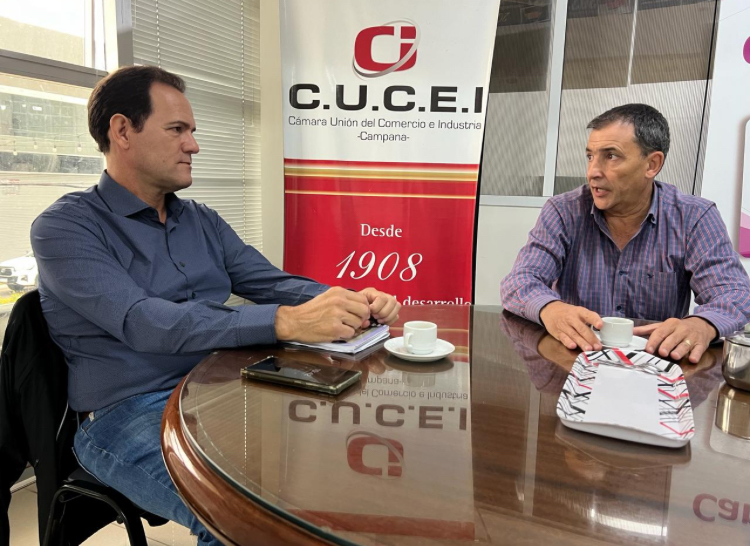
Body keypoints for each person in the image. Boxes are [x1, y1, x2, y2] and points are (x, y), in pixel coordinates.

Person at [30, 65, 400, 545]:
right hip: (128, 411)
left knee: (326, 472)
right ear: (122, 131)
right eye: (177, 130)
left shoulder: (202, 220)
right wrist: (285, 322)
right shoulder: (65, 228)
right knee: (245, 521)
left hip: (224, 386)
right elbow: (145, 323)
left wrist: (346, 300)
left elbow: (271, 282)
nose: (194, 145)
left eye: (193, 131)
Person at [501, 103, 750, 364]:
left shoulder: (694, 217)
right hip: (576, 363)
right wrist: (550, 309)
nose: (593, 172)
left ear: (652, 164)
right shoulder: (563, 211)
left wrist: (702, 324)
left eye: (611, 156)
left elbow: (735, 293)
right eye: (590, 156)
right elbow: (520, 280)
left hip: (654, 368)